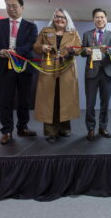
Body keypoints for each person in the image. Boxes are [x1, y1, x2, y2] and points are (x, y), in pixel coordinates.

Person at [0, 0, 38, 144]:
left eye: (14, 5)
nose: (11, 8)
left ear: (22, 8)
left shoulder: (31, 27)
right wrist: (0, 50)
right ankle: (7, 131)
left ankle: (23, 127)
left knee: (24, 99)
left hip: (24, 67)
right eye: (8, 5)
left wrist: (17, 51)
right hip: (5, 66)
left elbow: (30, 44)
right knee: (6, 100)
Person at [33, 9, 81, 143]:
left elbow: (79, 48)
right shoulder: (45, 31)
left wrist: (72, 50)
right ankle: (50, 132)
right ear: (53, 18)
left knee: (64, 99)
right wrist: (42, 47)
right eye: (57, 17)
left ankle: (64, 128)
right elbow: (36, 47)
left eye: (63, 17)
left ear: (67, 20)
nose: (60, 19)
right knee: (49, 100)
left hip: (67, 68)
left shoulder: (73, 33)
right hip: (49, 68)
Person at [81, 8, 111, 141]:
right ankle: (90, 129)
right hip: (91, 73)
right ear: (94, 20)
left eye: (102, 17)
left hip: (107, 72)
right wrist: (86, 51)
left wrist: (107, 50)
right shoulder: (87, 34)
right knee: (90, 103)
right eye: (97, 17)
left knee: (105, 103)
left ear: (106, 19)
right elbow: (81, 51)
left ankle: (103, 127)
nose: (100, 19)